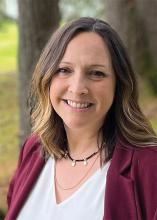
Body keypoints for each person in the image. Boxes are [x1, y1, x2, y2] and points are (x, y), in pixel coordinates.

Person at [5, 17, 157, 220]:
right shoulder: (33, 149)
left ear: (119, 84)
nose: (77, 89)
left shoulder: (149, 166)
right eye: (64, 70)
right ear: (47, 77)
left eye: (96, 73)